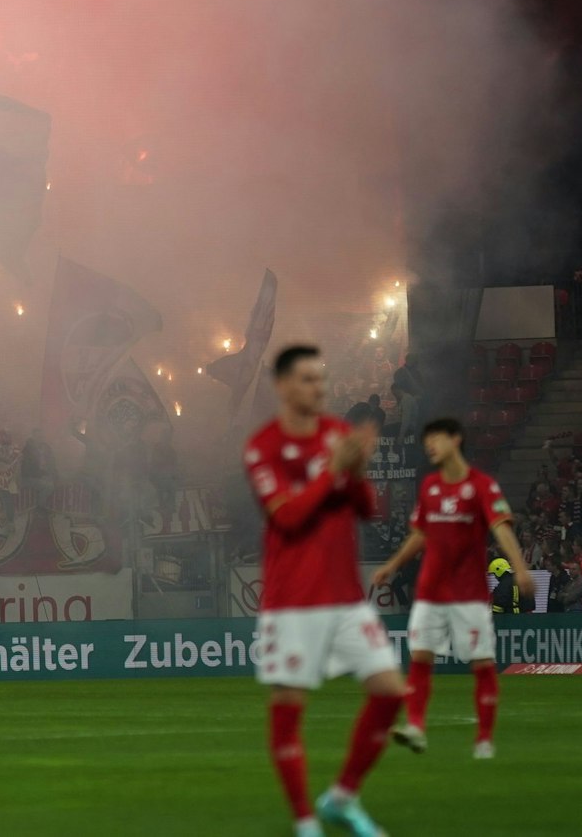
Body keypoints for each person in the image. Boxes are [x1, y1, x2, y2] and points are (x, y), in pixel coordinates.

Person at [244, 347, 404, 837]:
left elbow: (366, 506)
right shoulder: (264, 447)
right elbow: (287, 517)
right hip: (292, 600)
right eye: (309, 379)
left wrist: (357, 467)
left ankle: (341, 796)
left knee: (390, 693)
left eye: (322, 378)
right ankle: (304, 821)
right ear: (284, 387)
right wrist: (334, 469)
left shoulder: (336, 433)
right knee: (290, 710)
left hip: (344, 598)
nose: (320, 388)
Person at [371, 417, 530, 759]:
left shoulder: (482, 486)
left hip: (469, 595)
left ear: (455, 440)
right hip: (430, 592)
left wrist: (520, 568)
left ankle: (485, 739)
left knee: (481, 664)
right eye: (427, 439)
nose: (429, 445)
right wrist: (392, 565)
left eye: (436, 438)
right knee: (420, 658)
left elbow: (501, 528)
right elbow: (419, 534)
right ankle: (415, 726)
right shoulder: (429, 486)